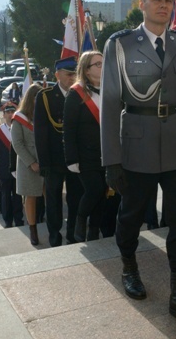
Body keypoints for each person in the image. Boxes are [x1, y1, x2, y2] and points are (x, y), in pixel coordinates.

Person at [101, 0, 176, 323]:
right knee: (131, 216)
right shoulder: (120, 44)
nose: (163, 5)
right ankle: (129, 267)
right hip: (137, 144)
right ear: (141, 3)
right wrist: (111, 159)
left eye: (168, 0)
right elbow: (111, 104)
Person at [34, 56, 83, 247]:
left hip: (75, 158)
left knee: (75, 198)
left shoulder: (80, 94)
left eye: (75, 74)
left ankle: (72, 233)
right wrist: (44, 162)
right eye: (69, 74)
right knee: (53, 200)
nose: (72, 78)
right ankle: (54, 234)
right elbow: (40, 132)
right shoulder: (45, 96)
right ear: (57, 75)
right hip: (53, 160)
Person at [64, 51, 105, 243]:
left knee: (103, 193)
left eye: (103, 63)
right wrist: (71, 158)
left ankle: (94, 231)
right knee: (94, 190)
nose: (102, 66)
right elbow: (69, 129)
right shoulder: (76, 93)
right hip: (85, 154)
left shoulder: (109, 89)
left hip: (106, 153)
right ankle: (81, 220)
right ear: (87, 70)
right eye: (97, 64)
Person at [11, 83, 43, 246]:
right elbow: (17, 143)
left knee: (49, 194)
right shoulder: (20, 117)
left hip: (46, 161)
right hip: (28, 164)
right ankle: (32, 230)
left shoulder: (45, 114)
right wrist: (31, 162)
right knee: (30, 197)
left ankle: (49, 224)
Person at [0, 105, 23, 228]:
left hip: (18, 169)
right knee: (5, 196)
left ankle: (19, 219)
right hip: (3, 170)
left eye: (12, 111)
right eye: (7, 112)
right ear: (3, 115)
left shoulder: (20, 129)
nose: (10, 114)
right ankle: (7, 220)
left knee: (18, 196)